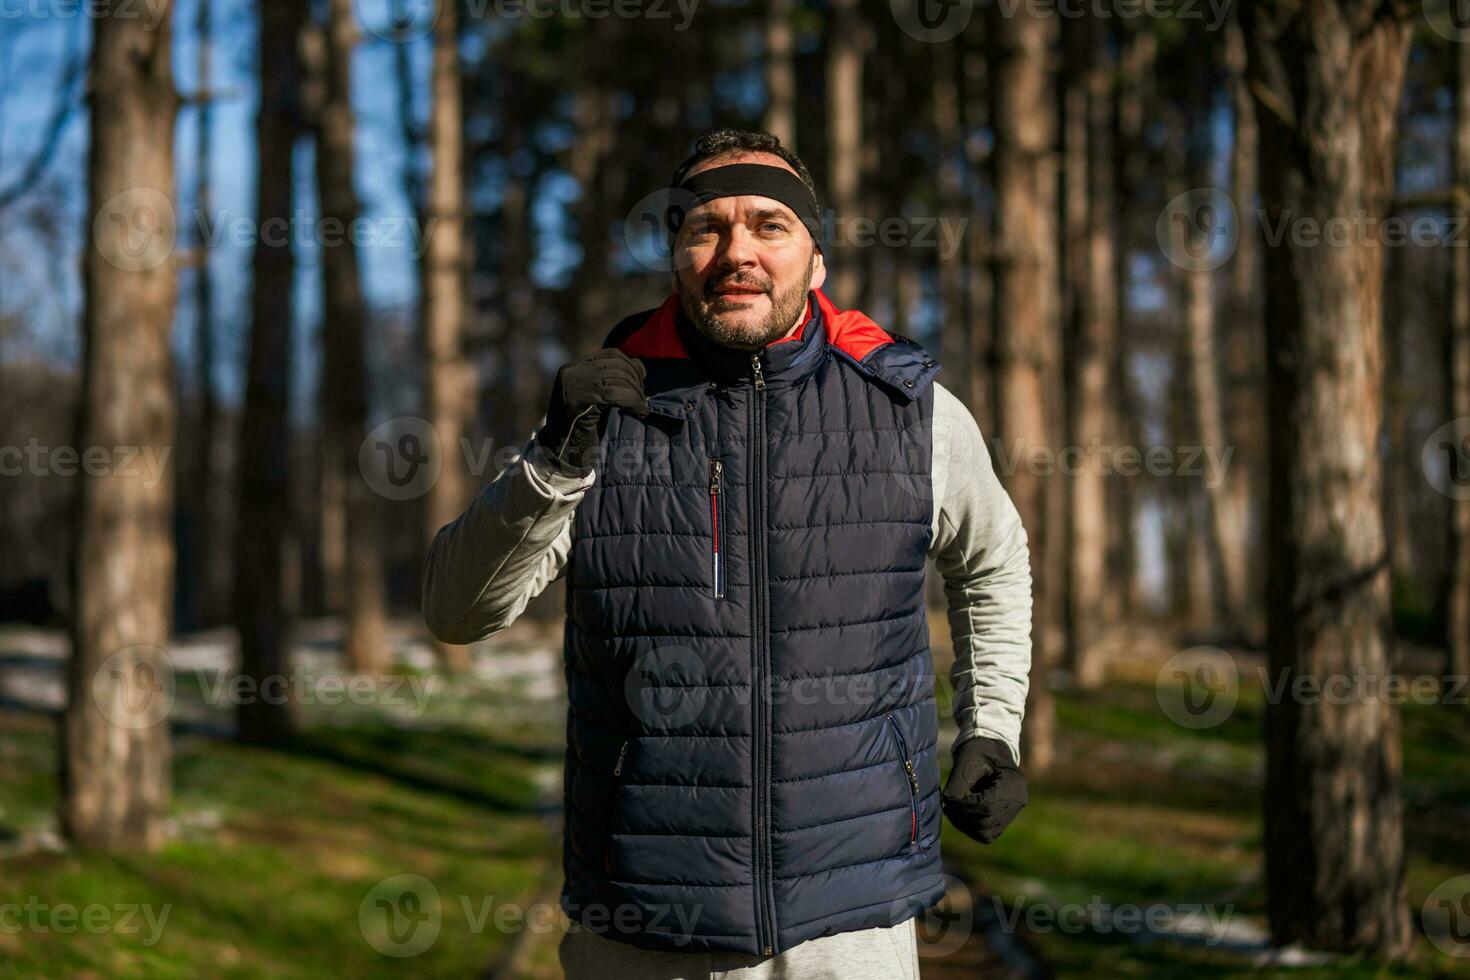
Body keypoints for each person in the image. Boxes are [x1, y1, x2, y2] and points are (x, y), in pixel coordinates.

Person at [423, 129, 1033, 980]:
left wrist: (993, 728)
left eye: (768, 225)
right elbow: (456, 612)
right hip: (639, 918)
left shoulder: (913, 411)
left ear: (815, 259)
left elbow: (993, 560)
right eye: (705, 228)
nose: (735, 252)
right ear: (677, 257)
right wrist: (553, 459)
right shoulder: (602, 415)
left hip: (848, 923)